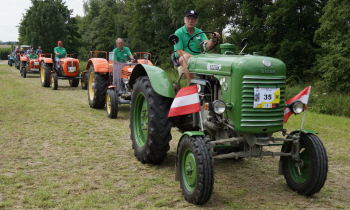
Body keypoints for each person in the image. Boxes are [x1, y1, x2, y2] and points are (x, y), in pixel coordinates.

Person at [174, 10, 220, 80]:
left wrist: (213, 39)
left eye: (193, 19)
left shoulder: (199, 32)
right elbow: (179, 52)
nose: (190, 21)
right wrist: (194, 58)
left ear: (196, 21)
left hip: (199, 58)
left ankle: (215, 84)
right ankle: (192, 84)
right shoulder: (178, 33)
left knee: (215, 57)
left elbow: (207, 45)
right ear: (184, 20)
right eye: (188, 18)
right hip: (184, 58)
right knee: (185, 57)